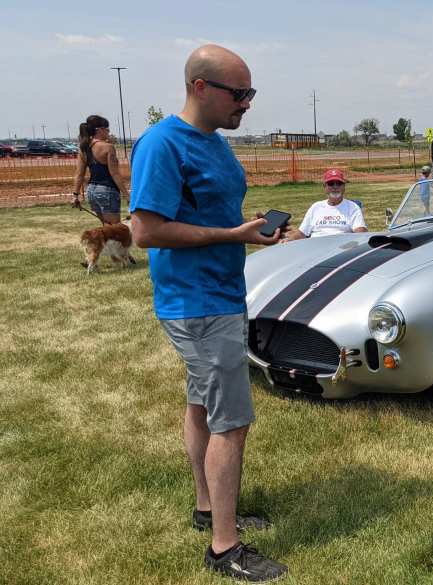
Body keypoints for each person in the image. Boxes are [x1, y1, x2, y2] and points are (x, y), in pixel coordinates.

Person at [129, 44, 288, 583]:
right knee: (232, 422)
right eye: (238, 94)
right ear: (201, 87)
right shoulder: (161, 144)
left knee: (201, 406)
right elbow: (145, 231)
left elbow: (211, 214)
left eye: (250, 93)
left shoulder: (215, 143)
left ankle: (207, 508)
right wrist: (229, 236)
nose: (246, 104)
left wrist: (248, 233)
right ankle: (225, 548)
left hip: (221, 293)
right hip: (196, 304)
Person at [72, 115, 129, 224]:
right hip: (107, 190)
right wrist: (127, 195)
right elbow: (115, 174)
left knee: (106, 227)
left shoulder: (84, 148)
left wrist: (75, 195)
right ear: (99, 130)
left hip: (91, 191)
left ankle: (103, 241)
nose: (108, 131)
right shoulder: (108, 147)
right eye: (107, 128)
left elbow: (79, 174)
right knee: (114, 229)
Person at [286, 168, 367, 239]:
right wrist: (288, 241)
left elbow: (360, 232)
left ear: (344, 186)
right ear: (324, 186)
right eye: (331, 184)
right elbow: (302, 233)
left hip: (340, 249)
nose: (335, 187)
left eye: (339, 183)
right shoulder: (316, 207)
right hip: (315, 248)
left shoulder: (352, 207)